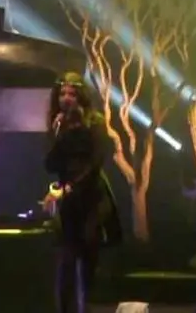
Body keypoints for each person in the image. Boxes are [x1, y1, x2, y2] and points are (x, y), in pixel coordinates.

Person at [43, 71, 122, 313]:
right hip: (69, 202)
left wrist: (70, 187)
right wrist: (56, 134)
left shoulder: (95, 121)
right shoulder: (58, 123)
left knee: (88, 260)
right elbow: (50, 165)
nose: (66, 99)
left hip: (92, 197)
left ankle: (87, 307)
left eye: (72, 94)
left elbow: (96, 161)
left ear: (81, 97)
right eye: (62, 94)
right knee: (65, 262)